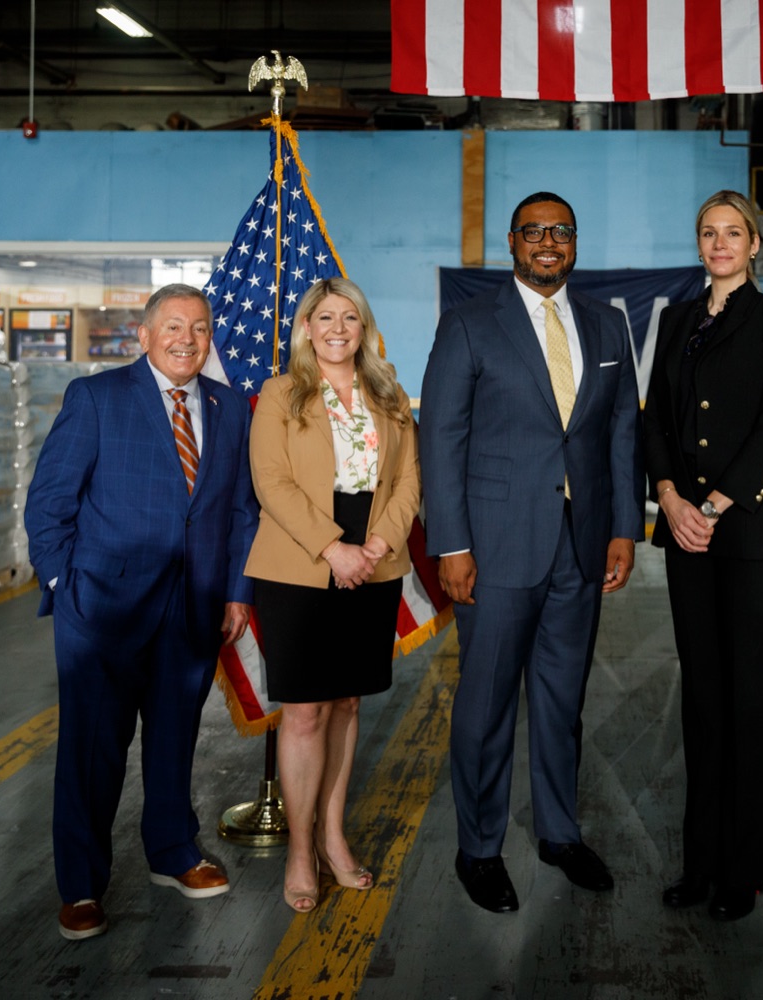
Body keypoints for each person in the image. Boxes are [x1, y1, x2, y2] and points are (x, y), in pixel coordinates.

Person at [418, 191, 643, 914]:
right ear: (512, 242)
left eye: (561, 231)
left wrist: (623, 528)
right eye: (534, 231)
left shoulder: (607, 323)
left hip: (581, 547)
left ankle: (559, 834)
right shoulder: (468, 323)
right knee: (485, 707)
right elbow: (441, 439)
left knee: (561, 702)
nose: (549, 242)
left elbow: (620, 433)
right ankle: (479, 849)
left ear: (575, 242)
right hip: (493, 550)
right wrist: (451, 544)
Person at [24, 283, 260, 941]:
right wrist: (64, 583)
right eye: (174, 327)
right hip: (101, 608)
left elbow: (242, 510)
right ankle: (80, 885)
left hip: (194, 608)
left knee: (174, 739)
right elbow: (49, 504)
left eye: (200, 328)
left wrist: (237, 591)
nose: (188, 339)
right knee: (92, 750)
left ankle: (172, 852)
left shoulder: (230, 408)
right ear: (145, 335)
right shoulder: (96, 397)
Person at [643, 189, 763, 921]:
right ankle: (699, 862)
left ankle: (743, 869)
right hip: (684, 532)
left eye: (732, 232)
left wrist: (713, 506)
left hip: (747, 534)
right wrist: (670, 497)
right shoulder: (676, 319)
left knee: (748, 697)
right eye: (708, 232)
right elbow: (657, 420)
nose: (719, 243)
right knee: (703, 697)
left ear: (754, 244)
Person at [243, 278, 421, 914]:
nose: (338, 328)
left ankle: (332, 837)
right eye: (325, 317)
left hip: (375, 559)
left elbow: (408, 479)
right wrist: (333, 548)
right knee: (305, 712)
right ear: (306, 327)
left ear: (363, 326)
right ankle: (299, 851)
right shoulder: (280, 393)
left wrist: (376, 546)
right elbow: (271, 480)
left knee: (347, 702)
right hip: (298, 563)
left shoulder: (388, 392)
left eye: (350, 317)